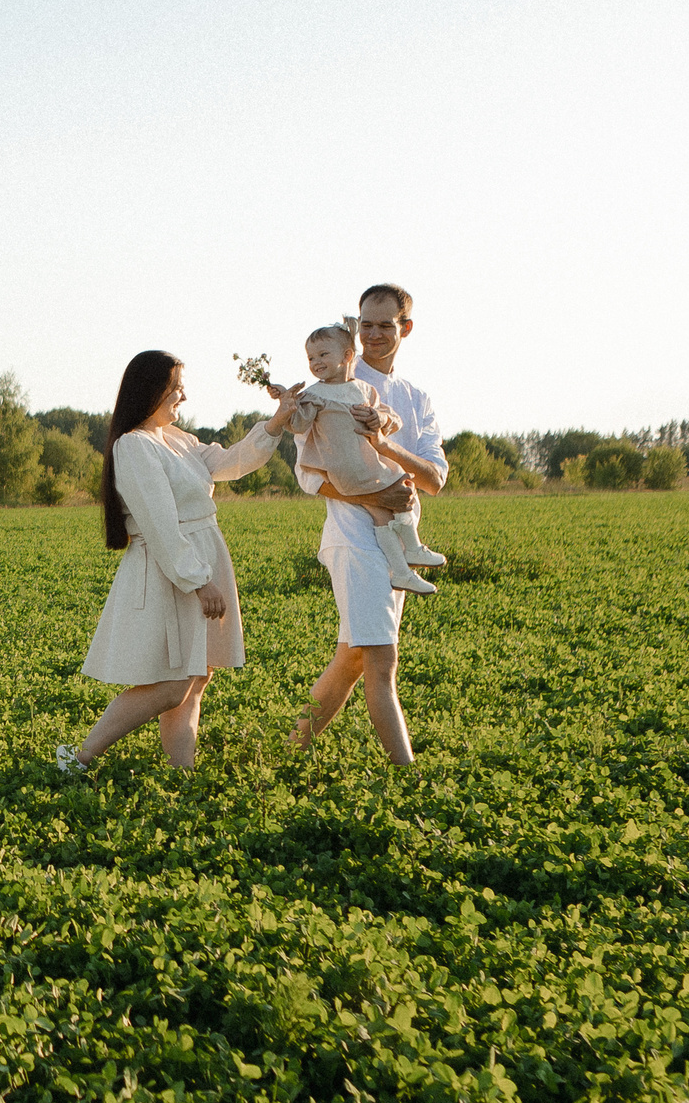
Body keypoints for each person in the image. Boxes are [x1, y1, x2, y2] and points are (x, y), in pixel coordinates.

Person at [61, 350, 300, 773]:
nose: (182, 396)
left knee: (196, 677)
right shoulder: (134, 445)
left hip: (199, 557)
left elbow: (233, 463)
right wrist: (198, 580)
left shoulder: (179, 440)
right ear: (150, 391)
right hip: (169, 569)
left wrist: (277, 420)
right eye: (174, 388)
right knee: (172, 682)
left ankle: (181, 772)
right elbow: (159, 524)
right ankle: (79, 758)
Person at [290, 283, 445, 765]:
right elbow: (310, 476)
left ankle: (288, 751)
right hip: (353, 540)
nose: (374, 334)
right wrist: (379, 491)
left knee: (353, 658)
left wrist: (385, 446)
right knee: (382, 662)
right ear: (355, 329)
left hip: (394, 542)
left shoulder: (414, 398)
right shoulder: (330, 381)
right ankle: (408, 775)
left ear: (406, 329)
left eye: (385, 324)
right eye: (367, 324)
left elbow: (435, 477)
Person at [281, 321, 444, 594]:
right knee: (403, 481)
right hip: (347, 469)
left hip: (359, 467)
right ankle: (413, 548)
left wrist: (379, 417)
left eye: (323, 355)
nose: (315, 362)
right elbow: (298, 425)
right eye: (311, 357)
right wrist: (287, 406)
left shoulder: (364, 389)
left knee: (382, 515)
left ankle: (402, 572)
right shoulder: (314, 394)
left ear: (347, 356)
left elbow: (392, 419)